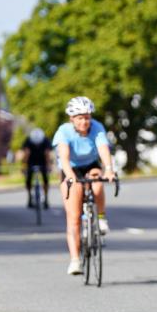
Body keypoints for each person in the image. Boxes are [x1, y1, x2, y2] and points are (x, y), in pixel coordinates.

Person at [54, 96, 117, 275]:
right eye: (80, 118)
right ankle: (75, 260)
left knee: (97, 180)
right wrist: (71, 177)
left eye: (87, 117)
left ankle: (101, 217)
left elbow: (103, 150)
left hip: (90, 164)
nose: (84, 121)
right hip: (70, 168)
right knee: (73, 217)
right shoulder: (63, 131)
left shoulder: (97, 127)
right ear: (72, 119)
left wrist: (109, 170)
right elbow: (64, 158)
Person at [20, 127, 51, 209]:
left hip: (42, 162)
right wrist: (24, 166)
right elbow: (26, 154)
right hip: (31, 162)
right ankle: (30, 197)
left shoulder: (45, 140)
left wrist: (48, 165)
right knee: (29, 180)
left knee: (45, 180)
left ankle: (46, 199)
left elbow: (47, 154)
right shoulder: (28, 140)